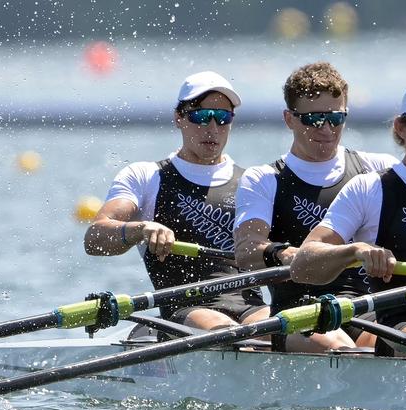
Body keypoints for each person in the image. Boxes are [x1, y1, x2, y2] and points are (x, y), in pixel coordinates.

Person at [290, 76, 406, 355]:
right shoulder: (369, 188)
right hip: (398, 317)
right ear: (401, 127)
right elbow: (302, 264)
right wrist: (355, 250)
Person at [84, 71, 268, 331]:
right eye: (201, 117)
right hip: (186, 310)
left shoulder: (254, 181)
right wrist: (142, 229)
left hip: (253, 308)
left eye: (223, 118)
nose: (213, 128)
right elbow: (95, 238)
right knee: (231, 334)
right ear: (179, 118)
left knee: (291, 334)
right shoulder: (146, 177)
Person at [233, 61, 397, 352]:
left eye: (336, 117)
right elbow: (246, 252)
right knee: (340, 348)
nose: (327, 129)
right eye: (314, 119)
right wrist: (283, 254)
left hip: (365, 307)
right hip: (298, 312)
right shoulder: (265, 179)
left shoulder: (377, 168)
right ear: (289, 119)